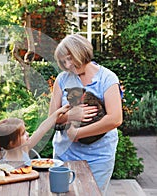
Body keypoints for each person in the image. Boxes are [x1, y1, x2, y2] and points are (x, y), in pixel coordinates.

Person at [49, 34, 123, 195]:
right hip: (65, 154)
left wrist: (78, 133)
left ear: (81, 52)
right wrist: (72, 115)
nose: (68, 65)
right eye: (63, 61)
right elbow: (52, 118)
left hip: (98, 157)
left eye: (70, 58)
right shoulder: (62, 79)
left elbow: (115, 119)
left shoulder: (107, 79)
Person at [0, 104, 70, 162]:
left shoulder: (24, 149)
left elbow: (42, 129)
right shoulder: (3, 166)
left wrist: (57, 113)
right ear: (12, 143)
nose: (27, 134)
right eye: (23, 134)